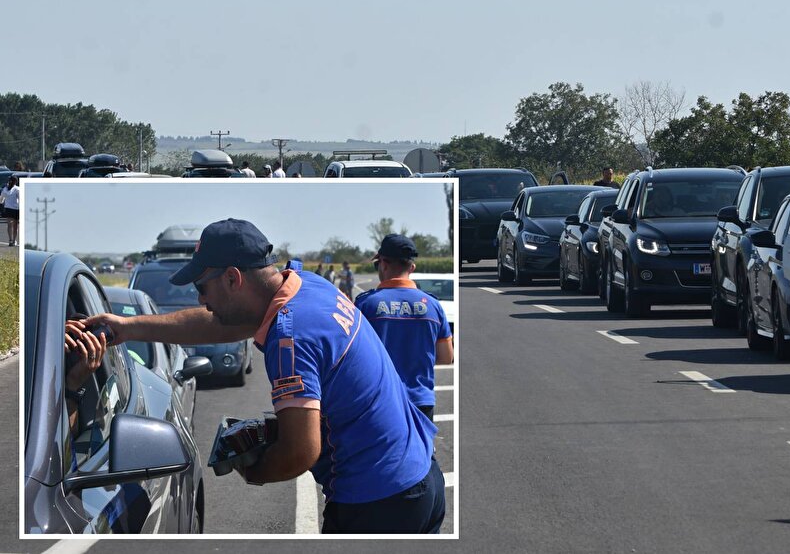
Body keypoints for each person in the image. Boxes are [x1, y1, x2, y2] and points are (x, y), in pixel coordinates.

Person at [79, 219, 444, 533]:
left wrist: (256, 470)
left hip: (379, 503)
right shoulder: (306, 285)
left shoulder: (289, 338)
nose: (201, 299)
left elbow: (300, 452)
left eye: (201, 288)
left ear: (233, 279)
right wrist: (127, 328)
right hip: (421, 476)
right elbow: (217, 325)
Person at [355, 235, 453, 422]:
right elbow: (446, 357)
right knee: (422, 451)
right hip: (420, 401)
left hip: (379, 400)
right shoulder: (433, 305)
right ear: (412, 267)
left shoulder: (365, 305)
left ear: (383, 264)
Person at [3, 176, 19, 246]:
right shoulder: (17, 189)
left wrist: (2, 202)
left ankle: (10, 240)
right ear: (16, 181)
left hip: (8, 209)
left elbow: (1, 199)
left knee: (10, 225)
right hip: (16, 209)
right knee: (16, 226)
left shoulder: (5, 189)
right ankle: (14, 240)